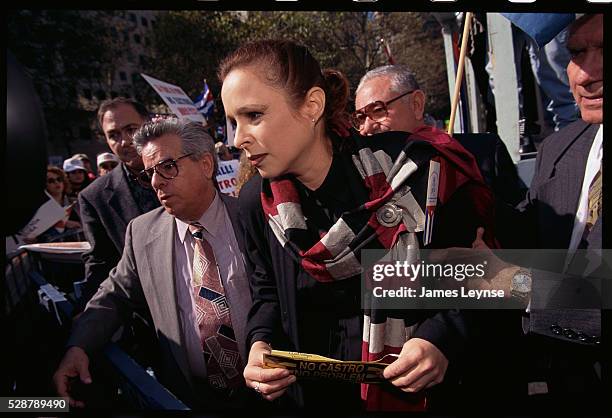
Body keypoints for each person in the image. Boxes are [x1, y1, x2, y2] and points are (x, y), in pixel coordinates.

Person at [219, 39, 497, 411]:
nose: (238, 139)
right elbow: (266, 293)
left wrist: (440, 338)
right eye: (233, 122)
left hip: (422, 398)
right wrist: (259, 346)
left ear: (312, 105)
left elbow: (488, 273)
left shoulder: (416, 172)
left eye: (254, 116)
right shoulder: (257, 202)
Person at [53, 119, 253, 409]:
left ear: (206, 165)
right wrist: (78, 346)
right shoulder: (142, 233)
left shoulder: (250, 218)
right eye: (149, 174)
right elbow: (113, 296)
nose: (157, 183)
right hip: (188, 397)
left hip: (268, 392)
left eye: (168, 167)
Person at [468, 14, 603, 411]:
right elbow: (529, 228)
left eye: (604, 51)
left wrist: (517, 284)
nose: (585, 74)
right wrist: (460, 188)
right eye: (577, 53)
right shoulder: (562, 146)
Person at [355, 64, 526, 206]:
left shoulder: (481, 153)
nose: (366, 128)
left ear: (416, 104)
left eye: (377, 110)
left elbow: (523, 226)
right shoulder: (364, 182)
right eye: (360, 118)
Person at [77, 98, 160, 304]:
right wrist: (90, 313)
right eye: (113, 135)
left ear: (148, 125)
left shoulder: (187, 168)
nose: (124, 141)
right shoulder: (94, 197)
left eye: (131, 129)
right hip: (146, 311)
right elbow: (100, 262)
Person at [38, 166, 82, 242]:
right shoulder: (40, 207)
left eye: (59, 179)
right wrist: (62, 223)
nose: (56, 183)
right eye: (51, 181)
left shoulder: (75, 202)